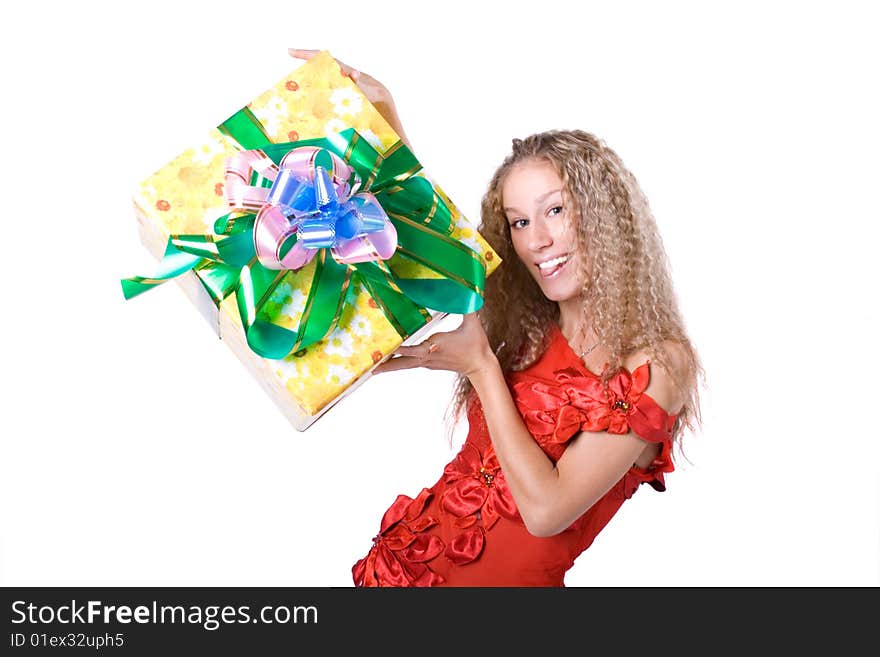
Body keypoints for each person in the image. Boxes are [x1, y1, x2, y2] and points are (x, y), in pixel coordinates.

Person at [289, 49, 705, 587]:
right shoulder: (527, 326)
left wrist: (481, 368)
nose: (538, 240)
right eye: (519, 222)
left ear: (604, 216)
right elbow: (426, 245)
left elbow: (547, 511)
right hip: (399, 574)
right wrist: (385, 115)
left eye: (556, 210)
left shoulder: (659, 363)